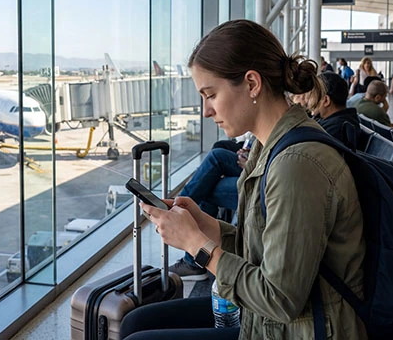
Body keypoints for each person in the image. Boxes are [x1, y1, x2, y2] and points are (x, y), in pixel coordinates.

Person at [123, 19, 366, 340]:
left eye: (210, 94)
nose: (206, 111)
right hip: (275, 320)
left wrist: (197, 246)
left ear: (252, 83)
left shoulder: (297, 164)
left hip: (302, 328)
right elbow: (266, 251)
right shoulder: (274, 144)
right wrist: (206, 227)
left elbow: (280, 299)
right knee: (135, 323)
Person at [168, 139, 252, 281]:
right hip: (255, 163)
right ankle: (177, 208)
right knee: (217, 153)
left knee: (207, 186)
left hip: (261, 176)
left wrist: (252, 162)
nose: (207, 115)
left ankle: (176, 210)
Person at [300, 72, 361, 151]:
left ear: (326, 101)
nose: (308, 102)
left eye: (311, 97)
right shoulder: (344, 121)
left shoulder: (334, 130)